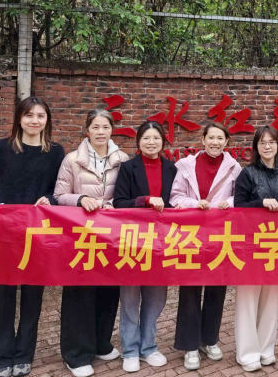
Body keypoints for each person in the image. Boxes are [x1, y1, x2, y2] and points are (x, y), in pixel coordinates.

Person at [0, 97, 65, 377]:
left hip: (38, 236)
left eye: (40, 115)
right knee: (2, 298)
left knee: (32, 299)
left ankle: (24, 354)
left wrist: (50, 199)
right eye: (29, 115)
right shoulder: (0, 149)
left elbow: (58, 190)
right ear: (19, 118)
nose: (35, 121)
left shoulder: (55, 152)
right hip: (2, 235)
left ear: (47, 120)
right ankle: (2, 358)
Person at [53, 109, 130, 377]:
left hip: (111, 236)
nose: (100, 132)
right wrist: (80, 199)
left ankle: (100, 343)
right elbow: (59, 195)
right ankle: (76, 354)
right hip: (81, 236)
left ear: (112, 130)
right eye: (95, 127)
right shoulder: (72, 160)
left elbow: (126, 193)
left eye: (105, 127)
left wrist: (113, 204)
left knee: (109, 290)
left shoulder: (122, 159)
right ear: (87, 130)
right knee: (80, 292)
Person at [170, 122, 242, 371]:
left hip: (220, 235)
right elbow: (175, 196)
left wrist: (229, 203)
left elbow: (240, 196)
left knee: (216, 288)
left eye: (220, 138)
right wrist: (195, 204)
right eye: (211, 137)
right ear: (202, 140)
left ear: (226, 142)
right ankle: (190, 345)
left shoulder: (234, 167)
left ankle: (209, 340)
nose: (215, 142)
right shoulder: (186, 165)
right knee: (190, 288)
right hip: (191, 235)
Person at [112, 121, 177, 373]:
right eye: (146, 138)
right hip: (133, 240)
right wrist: (145, 200)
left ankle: (148, 346)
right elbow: (119, 202)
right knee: (130, 297)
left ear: (163, 141)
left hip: (162, 242)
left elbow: (176, 202)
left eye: (156, 138)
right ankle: (130, 350)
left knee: (156, 297)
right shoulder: (128, 168)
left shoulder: (172, 168)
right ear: (138, 142)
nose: (152, 142)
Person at [233, 125, 278, 372]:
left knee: (271, 297)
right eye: (262, 142)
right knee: (248, 298)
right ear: (256, 147)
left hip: (277, 243)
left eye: (271, 142)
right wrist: (261, 203)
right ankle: (247, 353)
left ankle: (266, 349)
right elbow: (238, 207)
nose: (267, 146)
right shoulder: (247, 174)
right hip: (250, 244)